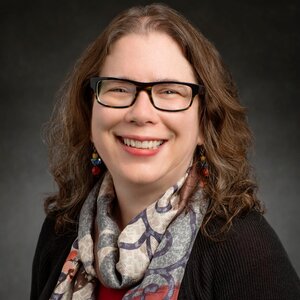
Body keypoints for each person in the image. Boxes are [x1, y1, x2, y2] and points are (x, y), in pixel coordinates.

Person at [30, 3, 300, 300]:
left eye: (170, 90)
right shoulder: (60, 231)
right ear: (90, 110)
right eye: (119, 88)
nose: (141, 113)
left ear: (204, 121)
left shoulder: (246, 251)